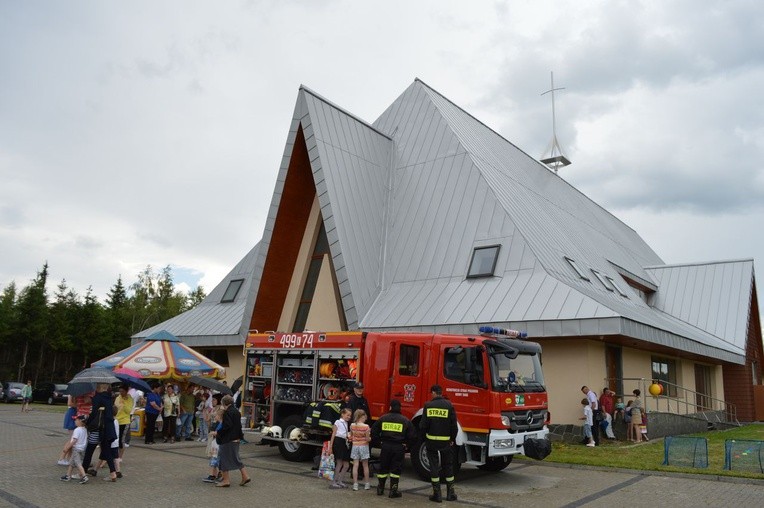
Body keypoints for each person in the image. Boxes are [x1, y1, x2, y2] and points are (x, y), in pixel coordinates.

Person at [420, 385, 458, 502]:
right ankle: (450, 494)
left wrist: (425, 438)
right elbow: (454, 426)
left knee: (434, 466)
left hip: (431, 441)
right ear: (441, 393)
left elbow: (423, 425)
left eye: (431, 393)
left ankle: (437, 495)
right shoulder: (449, 406)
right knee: (448, 466)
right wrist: (452, 439)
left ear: (434, 393)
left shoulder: (428, 406)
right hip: (446, 442)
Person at [371, 399, 415, 498]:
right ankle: (393, 491)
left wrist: (379, 442)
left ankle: (380, 489)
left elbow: (373, 431)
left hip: (385, 446)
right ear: (400, 408)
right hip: (398, 447)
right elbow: (413, 436)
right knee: (396, 469)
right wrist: (407, 445)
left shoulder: (383, 418)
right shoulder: (405, 420)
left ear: (390, 407)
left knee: (383, 467)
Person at [215, 394, 250, 487]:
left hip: (228, 439)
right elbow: (238, 426)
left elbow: (227, 426)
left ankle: (226, 480)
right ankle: (245, 476)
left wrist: (218, 432)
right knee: (236, 458)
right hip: (236, 438)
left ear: (224, 403)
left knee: (223, 459)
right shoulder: (236, 412)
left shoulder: (228, 412)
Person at [83, 384, 117, 478]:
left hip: (98, 428)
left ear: (100, 387)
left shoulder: (98, 397)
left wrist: (87, 422)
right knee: (107, 451)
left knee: (89, 451)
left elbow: (94, 413)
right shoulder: (110, 397)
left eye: (97, 386)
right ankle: (113, 473)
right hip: (108, 428)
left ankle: (83, 471)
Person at [60, 415, 89, 484]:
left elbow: (74, 441)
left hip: (76, 449)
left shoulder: (77, 430)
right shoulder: (85, 429)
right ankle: (68, 475)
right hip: (82, 449)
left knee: (78, 463)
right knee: (72, 462)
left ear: (80, 421)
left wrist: (67, 448)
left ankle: (84, 476)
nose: (75, 421)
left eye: (76, 420)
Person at [329, 407, 352, 489]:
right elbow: (333, 434)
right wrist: (330, 446)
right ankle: (334, 482)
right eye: (347, 415)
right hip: (338, 442)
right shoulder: (338, 422)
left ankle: (340, 480)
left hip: (344, 442)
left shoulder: (346, 423)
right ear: (342, 414)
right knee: (339, 462)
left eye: (350, 416)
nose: (349, 417)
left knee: (346, 464)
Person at [96, 406, 120, 482]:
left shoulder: (110, 421)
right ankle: (95, 470)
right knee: (104, 455)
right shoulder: (115, 421)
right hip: (114, 442)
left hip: (110, 442)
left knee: (109, 456)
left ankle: (113, 473)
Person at [349, 409, 371, 491]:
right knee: (365, 465)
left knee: (355, 465)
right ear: (362, 416)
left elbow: (351, 437)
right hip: (364, 446)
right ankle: (367, 484)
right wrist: (370, 438)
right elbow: (368, 439)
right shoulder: (366, 427)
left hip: (355, 446)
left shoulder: (352, 425)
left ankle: (355, 484)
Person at [203, 406, 224, 483]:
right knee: (214, 460)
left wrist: (214, 433)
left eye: (217, 415)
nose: (215, 417)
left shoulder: (222, 424)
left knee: (217, 460)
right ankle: (213, 475)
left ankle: (219, 475)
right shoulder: (219, 423)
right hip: (215, 444)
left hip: (218, 445)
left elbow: (220, 433)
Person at [58, 394, 78, 465]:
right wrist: (79, 405)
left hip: (75, 414)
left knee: (73, 439)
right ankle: (61, 458)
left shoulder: (77, 393)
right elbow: (69, 403)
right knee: (72, 439)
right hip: (71, 414)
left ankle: (68, 459)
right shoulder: (72, 393)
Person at [114, 385, 133, 458]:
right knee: (115, 439)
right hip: (117, 420)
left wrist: (124, 403)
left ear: (126, 391)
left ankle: (120, 457)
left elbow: (128, 411)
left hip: (124, 421)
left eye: (122, 391)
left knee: (121, 440)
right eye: (120, 391)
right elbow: (115, 408)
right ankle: (115, 455)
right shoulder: (117, 398)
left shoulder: (130, 399)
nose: (121, 393)